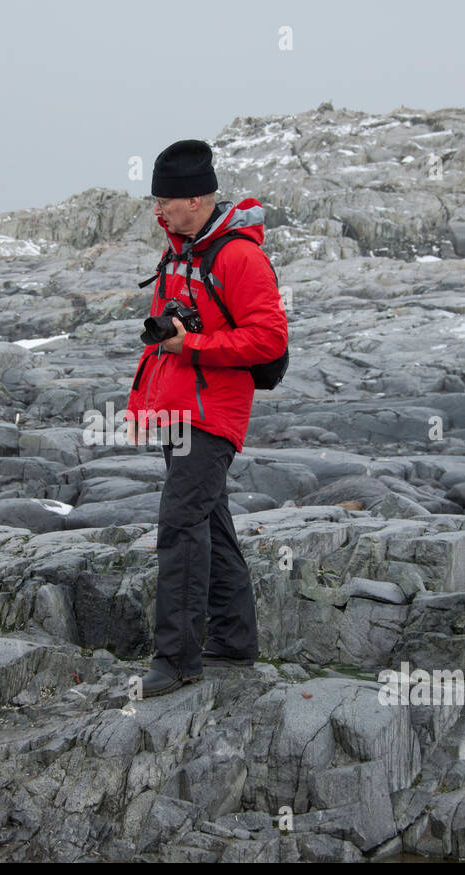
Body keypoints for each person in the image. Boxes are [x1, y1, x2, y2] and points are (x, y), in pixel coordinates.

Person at [124, 139, 288, 698]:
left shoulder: (237, 256)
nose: (158, 209)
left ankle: (177, 659)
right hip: (182, 410)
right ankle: (235, 640)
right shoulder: (182, 251)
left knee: (180, 526)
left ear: (196, 198)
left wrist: (191, 345)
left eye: (165, 200)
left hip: (212, 413)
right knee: (210, 523)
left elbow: (269, 339)